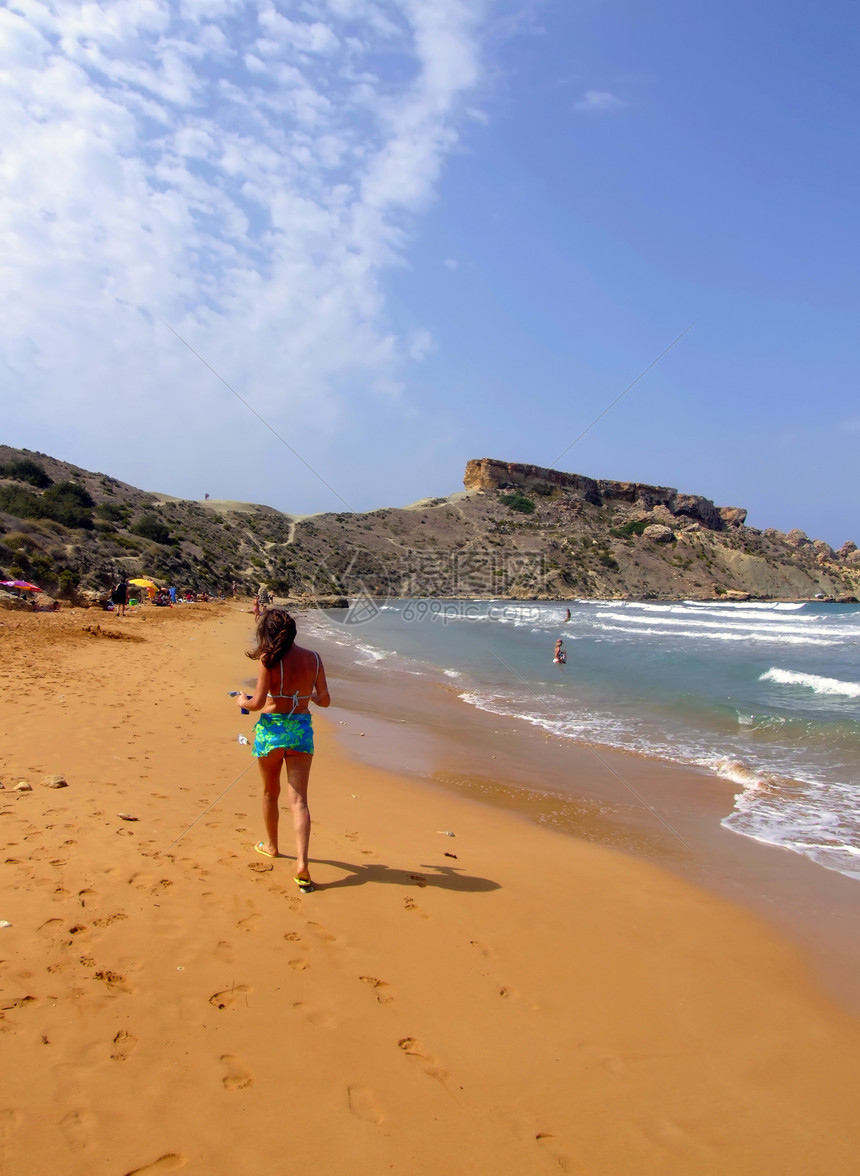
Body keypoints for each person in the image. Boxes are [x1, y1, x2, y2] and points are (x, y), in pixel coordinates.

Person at [238, 609, 330, 892]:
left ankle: (272, 845)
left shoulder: (269, 660)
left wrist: (241, 700)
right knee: (299, 800)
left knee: (270, 791)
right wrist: (306, 696)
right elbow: (325, 701)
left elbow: (257, 703)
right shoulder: (314, 659)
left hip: (272, 733)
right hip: (301, 731)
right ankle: (302, 863)